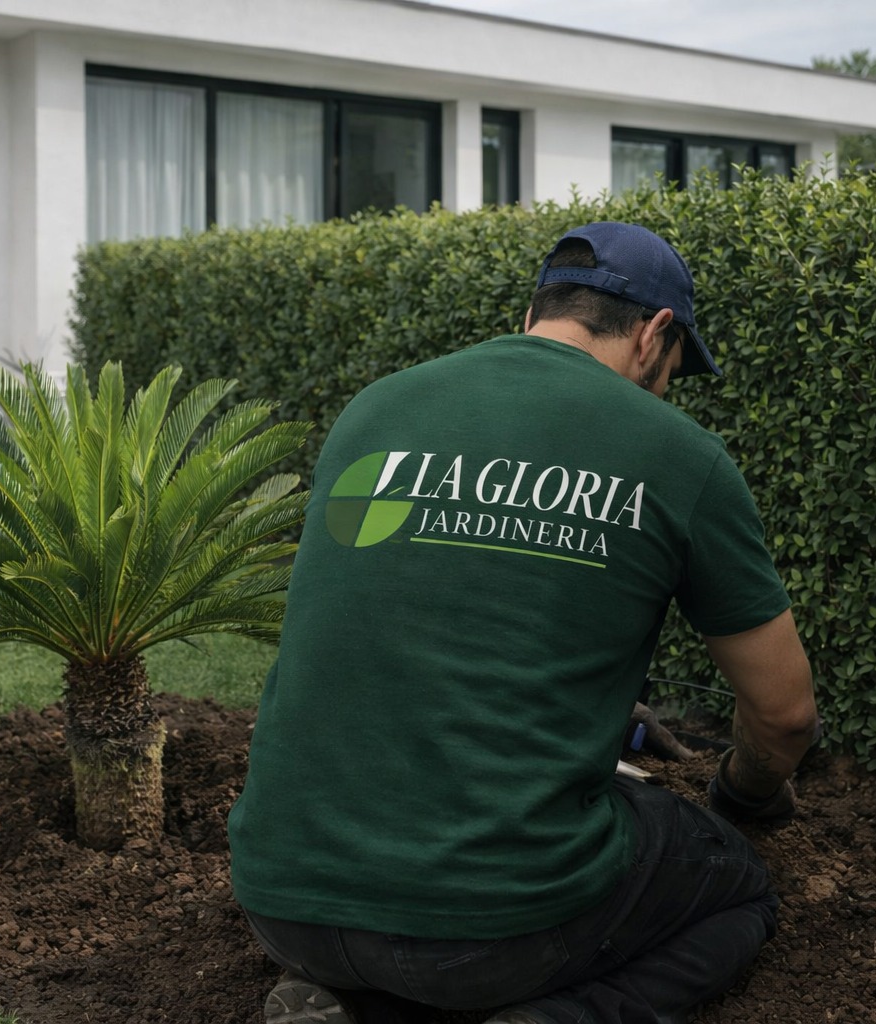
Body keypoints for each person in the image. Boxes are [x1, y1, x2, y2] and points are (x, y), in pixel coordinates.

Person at [226, 221, 819, 1024]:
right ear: (656, 334)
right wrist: (743, 795)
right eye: (676, 368)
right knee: (737, 890)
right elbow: (784, 717)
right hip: (491, 937)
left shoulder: (377, 409)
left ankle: (354, 1001)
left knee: (424, 923)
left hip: (282, 904)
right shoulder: (677, 454)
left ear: (539, 310)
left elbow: (414, 624)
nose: (669, 387)